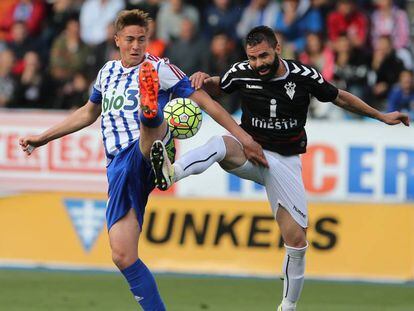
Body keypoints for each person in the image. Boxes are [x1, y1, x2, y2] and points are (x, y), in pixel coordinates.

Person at [19, 10, 267, 311]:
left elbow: (202, 99)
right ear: (117, 40)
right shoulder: (106, 73)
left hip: (149, 147)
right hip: (118, 169)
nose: (137, 46)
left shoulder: (159, 67)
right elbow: (87, 113)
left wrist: (243, 137)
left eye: (142, 39)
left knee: (147, 130)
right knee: (123, 255)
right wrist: (42, 138)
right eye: (130, 40)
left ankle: (151, 115)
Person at [149, 26, 410, 311]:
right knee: (219, 143)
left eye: (263, 55)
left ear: (277, 47)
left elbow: (340, 97)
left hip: (284, 163)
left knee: (296, 242)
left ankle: (288, 306)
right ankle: (171, 173)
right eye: (252, 58)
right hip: (249, 152)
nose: (258, 63)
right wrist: (200, 79)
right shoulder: (241, 72)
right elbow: (215, 85)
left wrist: (380, 115)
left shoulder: (303, 76)